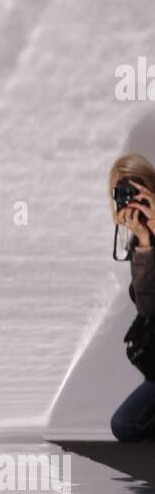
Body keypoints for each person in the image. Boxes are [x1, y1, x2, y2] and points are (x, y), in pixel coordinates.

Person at [109, 153, 155, 440]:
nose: (130, 197)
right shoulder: (140, 240)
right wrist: (146, 245)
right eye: (122, 192)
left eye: (136, 189)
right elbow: (148, 308)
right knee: (124, 424)